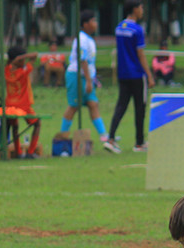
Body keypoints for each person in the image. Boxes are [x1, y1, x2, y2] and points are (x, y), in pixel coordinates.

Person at [61, 10, 116, 152]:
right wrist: (89, 81)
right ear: (85, 24)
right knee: (73, 106)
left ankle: (104, 136)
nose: (96, 24)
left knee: (93, 104)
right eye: (93, 21)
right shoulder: (81, 39)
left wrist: (92, 78)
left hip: (88, 77)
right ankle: (63, 135)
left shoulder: (90, 39)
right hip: (77, 76)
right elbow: (83, 60)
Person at [107, 0, 156, 154]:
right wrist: (149, 75)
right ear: (135, 9)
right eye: (141, 7)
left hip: (123, 74)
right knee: (140, 108)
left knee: (121, 106)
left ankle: (111, 138)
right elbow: (140, 54)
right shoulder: (137, 30)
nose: (142, 10)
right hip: (136, 74)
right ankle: (139, 143)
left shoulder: (119, 27)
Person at [4, 45, 41, 158]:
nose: (24, 61)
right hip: (24, 105)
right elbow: (34, 56)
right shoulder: (23, 70)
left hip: (10, 105)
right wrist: (23, 56)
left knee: (15, 128)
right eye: (22, 59)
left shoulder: (6, 70)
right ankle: (30, 152)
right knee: (37, 124)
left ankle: (19, 153)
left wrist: (17, 59)